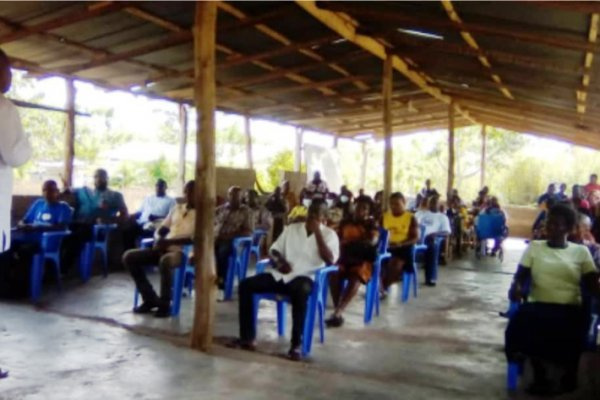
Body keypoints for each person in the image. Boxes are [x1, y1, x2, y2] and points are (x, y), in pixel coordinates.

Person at [505, 204, 600, 396]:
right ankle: (539, 374)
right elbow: (520, 277)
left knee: (578, 326)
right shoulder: (535, 248)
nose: (552, 229)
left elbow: (592, 284)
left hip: (569, 307)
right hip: (538, 304)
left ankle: (569, 374)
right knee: (521, 323)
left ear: (569, 228)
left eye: (559, 225)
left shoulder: (581, 252)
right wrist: (515, 289)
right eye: (550, 224)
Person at [229, 199, 339, 360]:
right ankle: (247, 338)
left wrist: (317, 233)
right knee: (246, 285)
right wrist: (279, 262)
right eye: (311, 212)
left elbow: (330, 260)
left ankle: (296, 345)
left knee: (301, 291)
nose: (312, 217)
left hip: (306, 278)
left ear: (324, 217)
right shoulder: (292, 229)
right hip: (281, 275)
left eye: (317, 214)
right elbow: (274, 250)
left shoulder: (330, 235)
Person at [0, 48, 32, 379]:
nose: (10, 77)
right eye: (7, 69)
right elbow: (15, 154)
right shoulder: (2, 107)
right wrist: (28, 143)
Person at [122, 181, 195, 318]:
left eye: (192, 192)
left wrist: (168, 242)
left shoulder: (202, 215)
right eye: (186, 191)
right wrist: (158, 239)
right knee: (129, 257)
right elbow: (163, 228)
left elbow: (194, 239)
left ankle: (165, 304)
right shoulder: (177, 209)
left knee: (165, 261)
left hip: (181, 251)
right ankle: (150, 299)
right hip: (163, 247)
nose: (188, 195)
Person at [61, 168, 128, 271]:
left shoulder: (115, 196)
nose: (99, 179)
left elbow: (124, 215)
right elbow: (67, 190)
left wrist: (108, 219)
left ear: (107, 178)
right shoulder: (83, 191)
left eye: (102, 177)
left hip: (96, 229)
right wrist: (65, 189)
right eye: (96, 176)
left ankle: (63, 268)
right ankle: (54, 267)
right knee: (64, 233)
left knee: (77, 236)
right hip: (76, 224)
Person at [326, 196, 378, 327]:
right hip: (344, 258)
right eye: (358, 207)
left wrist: (349, 243)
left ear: (368, 211)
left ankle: (338, 311)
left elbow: (372, 241)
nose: (360, 210)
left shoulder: (371, 225)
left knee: (357, 275)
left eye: (364, 208)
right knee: (333, 273)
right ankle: (338, 311)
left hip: (362, 261)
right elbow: (336, 238)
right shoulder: (345, 222)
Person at [214, 186, 254, 293]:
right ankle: (207, 278)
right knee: (205, 249)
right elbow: (211, 224)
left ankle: (221, 280)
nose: (234, 197)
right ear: (228, 196)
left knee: (223, 250)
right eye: (231, 195)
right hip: (217, 238)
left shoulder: (246, 211)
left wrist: (230, 236)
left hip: (235, 242)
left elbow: (248, 231)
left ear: (241, 197)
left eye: (237, 195)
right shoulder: (219, 210)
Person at [381, 192, 419, 293]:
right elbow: (379, 233)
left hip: (403, 247)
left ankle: (383, 287)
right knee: (374, 263)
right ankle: (380, 286)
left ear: (404, 203)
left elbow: (415, 238)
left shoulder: (410, 218)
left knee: (396, 265)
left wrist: (400, 244)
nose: (393, 206)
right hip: (387, 246)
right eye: (391, 204)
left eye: (397, 204)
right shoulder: (385, 217)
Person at [415, 195, 451, 286]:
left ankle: (430, 278)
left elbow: (447, 232)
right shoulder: (420, 213)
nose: (433, 204)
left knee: (432, 246)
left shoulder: (442, 217)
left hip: (430, 239)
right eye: (431, 202)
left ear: (439, 205)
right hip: (416, 237)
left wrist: (435, 234)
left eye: (435, 203)